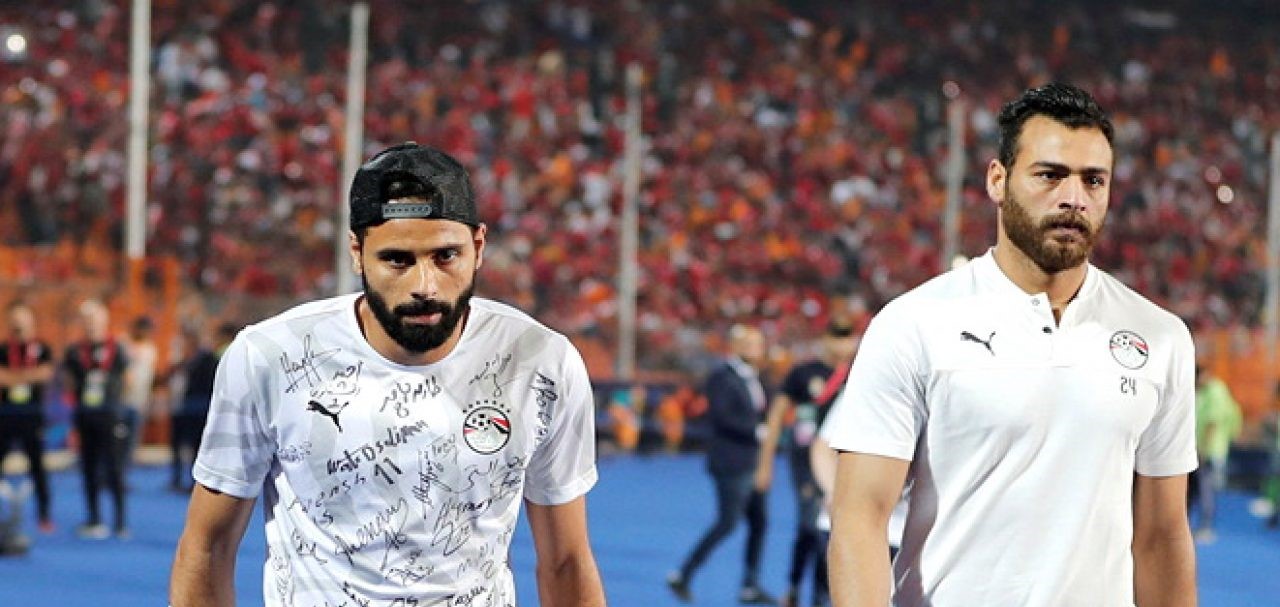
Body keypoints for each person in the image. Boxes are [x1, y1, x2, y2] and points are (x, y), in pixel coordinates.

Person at [170, 142, 605, 607]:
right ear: (357, 253)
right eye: (398, 259)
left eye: (446, 256)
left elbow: (566, 560)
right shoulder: (270, 357)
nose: (424, 285)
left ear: (478, 247)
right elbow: (207, 548)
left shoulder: (541, 363)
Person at [822, 83, 1197, 607]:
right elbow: (859, 517)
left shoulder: (1160, 337)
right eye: (1050, 175)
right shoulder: (914, 324)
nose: (1074, 198)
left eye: (1093, 180)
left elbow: (1162, 535)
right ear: (998, 180)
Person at [668, 323, 777, 605]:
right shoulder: (722, 377)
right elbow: (722, 417)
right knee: (728, 522)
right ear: (737, 346)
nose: (758, 349)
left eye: (759, 344)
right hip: (731, 462)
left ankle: (750, 584)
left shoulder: (757, 377)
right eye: (751, 344)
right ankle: (684, 574)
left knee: (759, 522)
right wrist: (756, 431)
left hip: (752, 460)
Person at [757, 319, 858, 607]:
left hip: (842, 459)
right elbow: (777, 414)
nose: (842, 344)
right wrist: (766, 461)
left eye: (847, 337)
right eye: (837, 336)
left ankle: (821, 595)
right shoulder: (804, 373)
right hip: (805, 459)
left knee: (834, 528)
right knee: (810, 525)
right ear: (825, 338)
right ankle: (793, 586)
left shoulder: (859, 374)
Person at [63, 298, 131, 539]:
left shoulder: (118, 348)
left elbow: (127, 380)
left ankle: (120, 522)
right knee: (88, 468)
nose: (90, 324)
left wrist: (120, 407)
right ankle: (94, 519)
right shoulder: (74, 351)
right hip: (85, 417)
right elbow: (68, 382)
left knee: (115, 469)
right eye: (86, 320)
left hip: (110, 416)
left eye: (94, 319)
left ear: (104, 321)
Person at [0, 300, 56, 533]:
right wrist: (27, 376)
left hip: (33, 418)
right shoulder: (3, 349)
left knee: (38, 468)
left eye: (22, 320)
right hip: (6, 417)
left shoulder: (42, 349)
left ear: (31, 322)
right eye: (15, 320)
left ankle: (44, 515)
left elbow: (45, 374)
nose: (18, 325)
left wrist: (15, 377)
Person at [168, 322, 235, 492]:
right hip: (181, 407)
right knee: (176, 444)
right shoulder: (181, 361)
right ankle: (176, 478)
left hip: (199, 407)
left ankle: (195, 482)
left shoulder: (208, 359)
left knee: (196, 446)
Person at [1190, 363, 1242, 543]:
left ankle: (1206, 527)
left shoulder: (1216, 391)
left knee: (1206, 489)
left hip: (1210, 450)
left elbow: (1212, 422)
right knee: (1196, 489)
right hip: (1200, 449)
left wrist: (1204, 447)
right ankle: (1193, 525)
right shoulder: (1203, 392)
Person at [120, 315, 158, 470]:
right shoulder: (124, 345)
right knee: (119, 438)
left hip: (139, 401)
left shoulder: (150, 350)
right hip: (122, 400)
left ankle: (124, 472)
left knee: (132, 440)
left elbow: (149, 377)